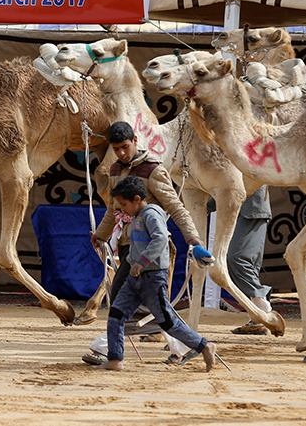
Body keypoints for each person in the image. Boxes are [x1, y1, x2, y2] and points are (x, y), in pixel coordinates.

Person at [82, 120, 211, 365]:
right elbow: (113, 209)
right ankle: (184, 347)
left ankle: (108, 352)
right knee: (148, 307)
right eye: (116, 149)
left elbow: (175, 207)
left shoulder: (153, 169)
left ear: (135, 141)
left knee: (134, 304)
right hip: (128, 248)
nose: (121, 153)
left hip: (152, 251)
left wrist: (193, 240)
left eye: (124, 147)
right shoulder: (114, 170)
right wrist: (101, 235)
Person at [99, 176, 215, 372]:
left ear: (137, 199)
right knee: (116, 315)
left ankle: (204, 345)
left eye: (124, 204)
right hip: (135, 279)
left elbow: (160, 239)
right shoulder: (137, 216)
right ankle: (115, 358)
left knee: (167, 322)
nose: (122, 209)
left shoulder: (151, 214)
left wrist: (141, 262)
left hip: (152, 278)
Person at [222, 185, 273, 335]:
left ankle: (264, 313)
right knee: (246, 265)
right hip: (245, 209)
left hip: (252, 208)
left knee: (237, 258)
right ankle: (257, 319)